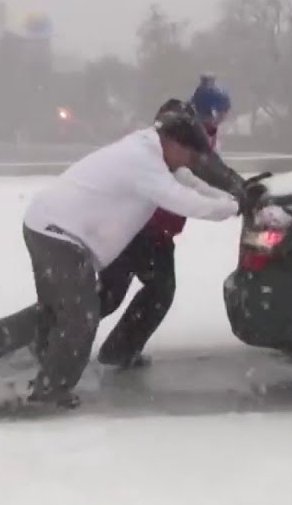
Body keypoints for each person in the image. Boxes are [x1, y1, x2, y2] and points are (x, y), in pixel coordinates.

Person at [0, 109, 252, 409]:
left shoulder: (151, 154)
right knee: (81, 316)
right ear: (172, 143)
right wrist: (233, 208)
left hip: (52, 229)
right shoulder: (143, 162)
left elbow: (191, 184)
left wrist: (235, 195)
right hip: (58, 235)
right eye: (190, 153)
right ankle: (50, 391)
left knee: (56, 314)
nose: (190, 161)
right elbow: (184, 200)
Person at [96, 80, 248, 369]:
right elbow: (206, 168)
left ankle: (56, 334)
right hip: (143, 225)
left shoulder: (202, 132)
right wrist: (237, 190)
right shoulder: (181, 129)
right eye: (220, 113)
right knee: (145, 292)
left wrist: (239, 187)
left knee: (114, 295)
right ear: (208, 110)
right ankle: (92, 343)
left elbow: (210, 167)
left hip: (151, 227)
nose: (222, 119)